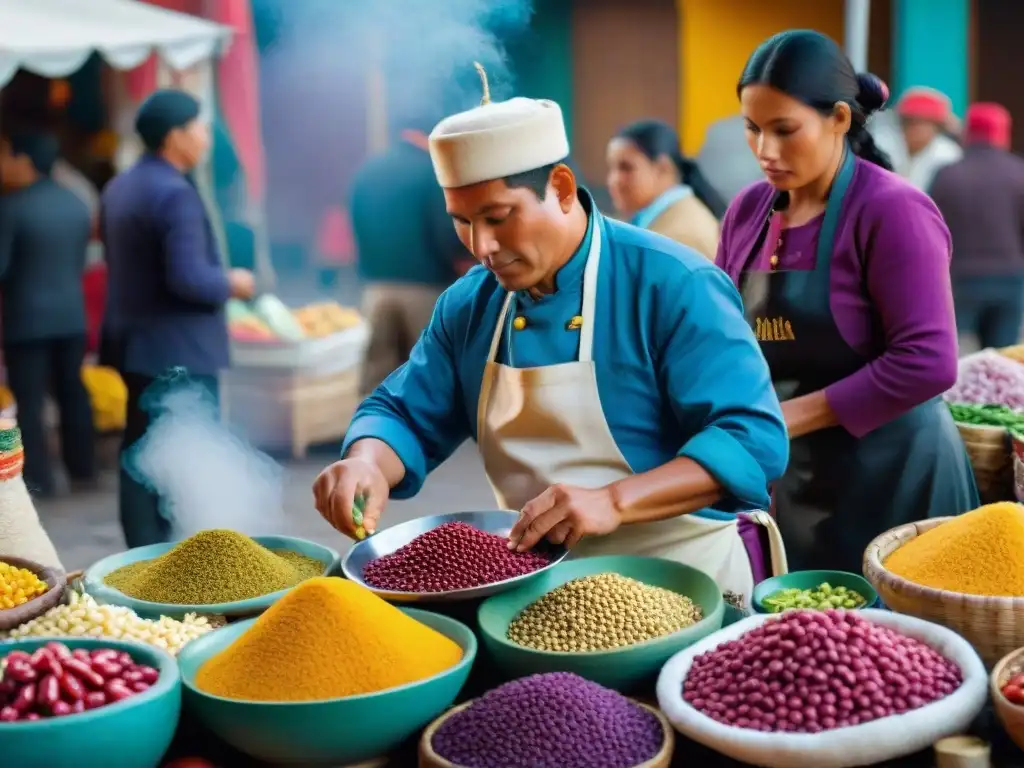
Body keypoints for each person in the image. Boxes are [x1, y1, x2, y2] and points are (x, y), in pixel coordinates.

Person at [314, 68, 790, 602]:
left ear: (561, 188)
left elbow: (752, 439)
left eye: (499, 217)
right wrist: (366, 461)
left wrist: (614, 500)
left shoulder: (673, 283)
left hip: (683, 587)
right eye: (462, 221)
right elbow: (402, 411)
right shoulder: (470, 304)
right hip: (538, 596)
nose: (483, 246)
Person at [716, 30, 978, 574]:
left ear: (838, 118)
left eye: (785, 131)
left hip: (900, 480)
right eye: (753, 129)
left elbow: (928, 361)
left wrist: (780, 419)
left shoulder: (892, 209)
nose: (766, 150)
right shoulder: (748, 212)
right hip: (797, 479)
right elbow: (721, 335)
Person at [100, 89, 255, 548]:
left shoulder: (120, 186)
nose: (207, 136)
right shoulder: (175, 193)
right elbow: (188, 279)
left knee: (140, 450)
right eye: (200, 127)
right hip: (179, 349)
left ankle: (140, 554)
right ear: (175, 135)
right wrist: (233, 283)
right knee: (182, 453)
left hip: (134, 343)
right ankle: (174, 554)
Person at [0, 132, 96, 497]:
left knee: (31, 402)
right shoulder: (75, 203)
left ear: (25, 161)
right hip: (72, 316)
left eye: (7, 156)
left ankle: (38, 478)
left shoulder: (12, 207)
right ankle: (83, 470)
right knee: (73, 392)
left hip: (27, 322)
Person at [350, 121, 464, 394]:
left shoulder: (369, 170)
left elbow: (355, 220)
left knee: (377, 380)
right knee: (430, 374)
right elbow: (445, 228)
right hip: (426, 288)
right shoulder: (433, 171)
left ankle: (375, 432)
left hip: (376, 289)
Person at [930, 103, 1024, 350]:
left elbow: (930, 229)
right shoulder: (1019, 174)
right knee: (1002, 358)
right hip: (1009, 277)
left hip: (959, 278)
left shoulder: (947, 175)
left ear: (968, 133)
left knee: (945, 353)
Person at [606, 120, 724, 260]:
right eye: (611, 168)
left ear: (663, 168)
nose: (613, 180)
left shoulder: (679, 239)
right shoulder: (659, 224)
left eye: (626, 168)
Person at [892, 87, 963, 191]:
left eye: (918, 122)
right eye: (906, 122)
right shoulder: (893, 149)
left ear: (935, 126)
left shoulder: (948, 156)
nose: (910, 129)